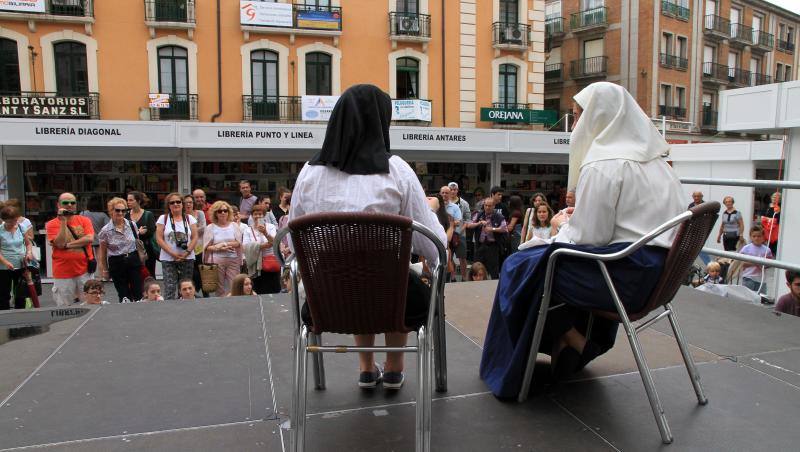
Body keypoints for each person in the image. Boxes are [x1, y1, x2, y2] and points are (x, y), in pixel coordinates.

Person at [481, 82, 687, 397]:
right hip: (656, 274)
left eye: (579, 116)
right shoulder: (660, 164)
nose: (575, 125)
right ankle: (571, 339)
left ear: (601, 117)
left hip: (622, 277)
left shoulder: (604, 164)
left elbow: (588, 238)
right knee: (533, 267)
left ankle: (514, 368)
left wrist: (560, 222)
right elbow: (630, 223)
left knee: (519, 267)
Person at [289, 84, 447, 390]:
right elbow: (433, 245)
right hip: (391, 297)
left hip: (328, 300)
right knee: (395, 277)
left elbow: (292, 240)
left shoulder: (309, 173)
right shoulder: (397, 171)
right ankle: (394, 367)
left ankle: (365, 367)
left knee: (351, 274)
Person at [46, 192, 96, 307]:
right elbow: (59, 243)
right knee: (64, 307)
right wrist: (63, 222)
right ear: (58, 205)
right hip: (63, 272)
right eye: (65, 202)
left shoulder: (84, 220)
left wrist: (67, 245)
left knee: (90, 304)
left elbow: (89, 238)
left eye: (72, 202)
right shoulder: (51, 224)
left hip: (85, 270)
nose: (69, 205)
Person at [97, 197, 144, 303]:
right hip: (116, 263)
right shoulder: (105, 230)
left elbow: (136, 242)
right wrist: (105, 270)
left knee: (138, 293)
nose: (120, 213)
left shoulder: (132, 224)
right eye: (117, 210)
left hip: (133, 260)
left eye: (123, 210)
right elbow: (103, 253)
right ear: (111, 211)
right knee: (124, 295)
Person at [156, 193, 199, 300]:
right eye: (172, 202)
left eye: (178, 202)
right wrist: (172, 253)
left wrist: (187, 252)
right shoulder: (163, 218)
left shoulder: (190, 218)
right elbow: (159, 238)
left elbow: (195, 237)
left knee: (186, 288)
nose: (176, 204)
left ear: (182, 204)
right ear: (168, 205)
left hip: (187, 257)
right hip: (168, 258)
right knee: (169, 287)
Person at [203, 201, 243, 297]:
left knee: (235, 285)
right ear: (215, 213)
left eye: (225, 211)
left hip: (233, 259)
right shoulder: (210, 227)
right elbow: (207, 247)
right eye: (220, 211)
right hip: (217, 261)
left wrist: (225, 244)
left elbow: (238, 242)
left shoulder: (234, 226)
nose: (223, 213)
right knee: (219, 287)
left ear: (229, 212)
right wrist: (219, 248)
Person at [0, 206, 34, 310]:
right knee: (3, 293)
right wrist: (6, 262)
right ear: (4, 220)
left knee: (20, 292)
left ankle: (20, 313)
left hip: (21, 264)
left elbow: (28, 244)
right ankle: (4, 316)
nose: (14, 223)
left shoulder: (21, 227)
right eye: (11, 221)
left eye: (15, 220)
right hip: (4, 267)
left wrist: (29, 253)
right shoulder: (0, 231)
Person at [467, 197, 507, 279]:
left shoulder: (499, 216)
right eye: (486, 205)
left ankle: (494, 288)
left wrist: (492, 229)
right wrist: (479, 223)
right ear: (483, 205)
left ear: (494, 206)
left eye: (490, 206)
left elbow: (504, 229)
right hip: (480, 245)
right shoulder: (479, 214)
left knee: (494, 270)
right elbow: (469, 225)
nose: (487, 207)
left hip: (492, 246)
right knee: (476, 269)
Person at [246, 204, 281, 294]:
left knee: (273, 289)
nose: (257, 216)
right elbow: (245, 247)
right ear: (252, 215)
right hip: (256, 264)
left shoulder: (271, 227)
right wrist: (264, 245)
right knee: (259, 289)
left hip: (270, 261)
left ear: (264, 215)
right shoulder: (248, 230)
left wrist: (265, 232)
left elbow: (274, 242)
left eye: (260, 214)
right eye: (255, 214)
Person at [127, 191, 157, 277]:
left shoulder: (148, 214)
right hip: (131, 249)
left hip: (146, 249)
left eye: (131, 200)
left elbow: (152, 230)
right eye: (128, 200)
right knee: (134, 275)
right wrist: (138, 232)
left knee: (149, 274)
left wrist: (146, 231)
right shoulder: (126, 215)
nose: (128, 202)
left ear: (138, 201)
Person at [184, 194, 208, 296]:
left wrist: (189, 231)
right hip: (186, 249)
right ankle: (192, 293)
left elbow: (203, 228)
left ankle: (205, 293)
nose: (188, 204)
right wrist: (195, 229)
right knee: (190, 273)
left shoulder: (200, 213)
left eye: (190, 202)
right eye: (186, 203)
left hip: (199, 248)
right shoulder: (180, 215)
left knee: (202, 272)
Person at [739, 226, 773, 295]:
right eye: (754, 236)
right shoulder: (746, 248)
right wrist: (755, 263)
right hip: (748, 278)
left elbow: (770, 263)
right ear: (750, 237)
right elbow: (740, 263)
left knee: (761, 299)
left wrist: (764, 265)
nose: (756, 238)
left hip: (761, 279)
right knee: (747, 297)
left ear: (763, 237)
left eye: (759, 236)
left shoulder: (767, 250)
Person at [448, 182, 471, 281]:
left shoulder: (464, 203)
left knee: (462, 257)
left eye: (455, 189)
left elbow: (467, 219)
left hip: (460, 234)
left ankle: (464, 277)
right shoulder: (444, 202)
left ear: (457, 190)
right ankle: (452, 277)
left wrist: (461, 229)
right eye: (451, 189)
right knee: (449, 257)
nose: (453, 191)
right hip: (448, 234)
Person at [80, 196, 109, 268]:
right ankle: (101, 276)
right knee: (100, 259)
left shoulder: (83, 213)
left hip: (86, 239)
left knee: (86, 259)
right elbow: (108, 227)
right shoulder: (103, 215)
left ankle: (88, 277)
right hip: (98, 240)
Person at [762, 191, 781, 256]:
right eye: (773, 197)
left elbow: (779, 219)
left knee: (774, 245)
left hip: (775, 230)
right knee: (766, 244)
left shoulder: (780, 207)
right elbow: (762, 216)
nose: (774, 198)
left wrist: (768, 219)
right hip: (766, 228)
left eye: (776, 197)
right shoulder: (767, 206)